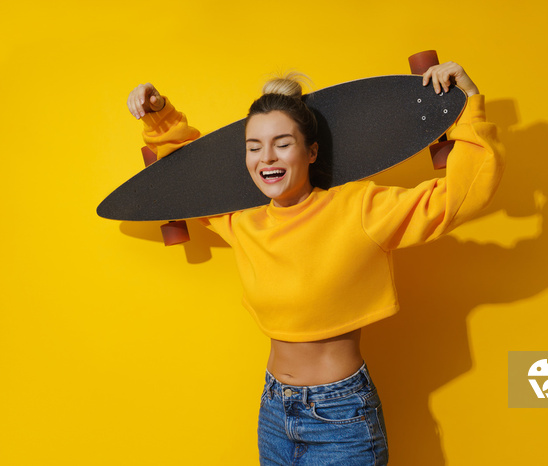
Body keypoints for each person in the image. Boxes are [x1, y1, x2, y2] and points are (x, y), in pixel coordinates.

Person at [125, 61, 504, 465]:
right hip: (274, 411)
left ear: (311, 151)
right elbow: (191, 179)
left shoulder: (360, 209)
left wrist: (467, 105)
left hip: (341, 417)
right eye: (254, 147)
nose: (266, 157)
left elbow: (461, 195)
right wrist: (159, 115)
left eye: (282, 143)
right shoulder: (242, 221)